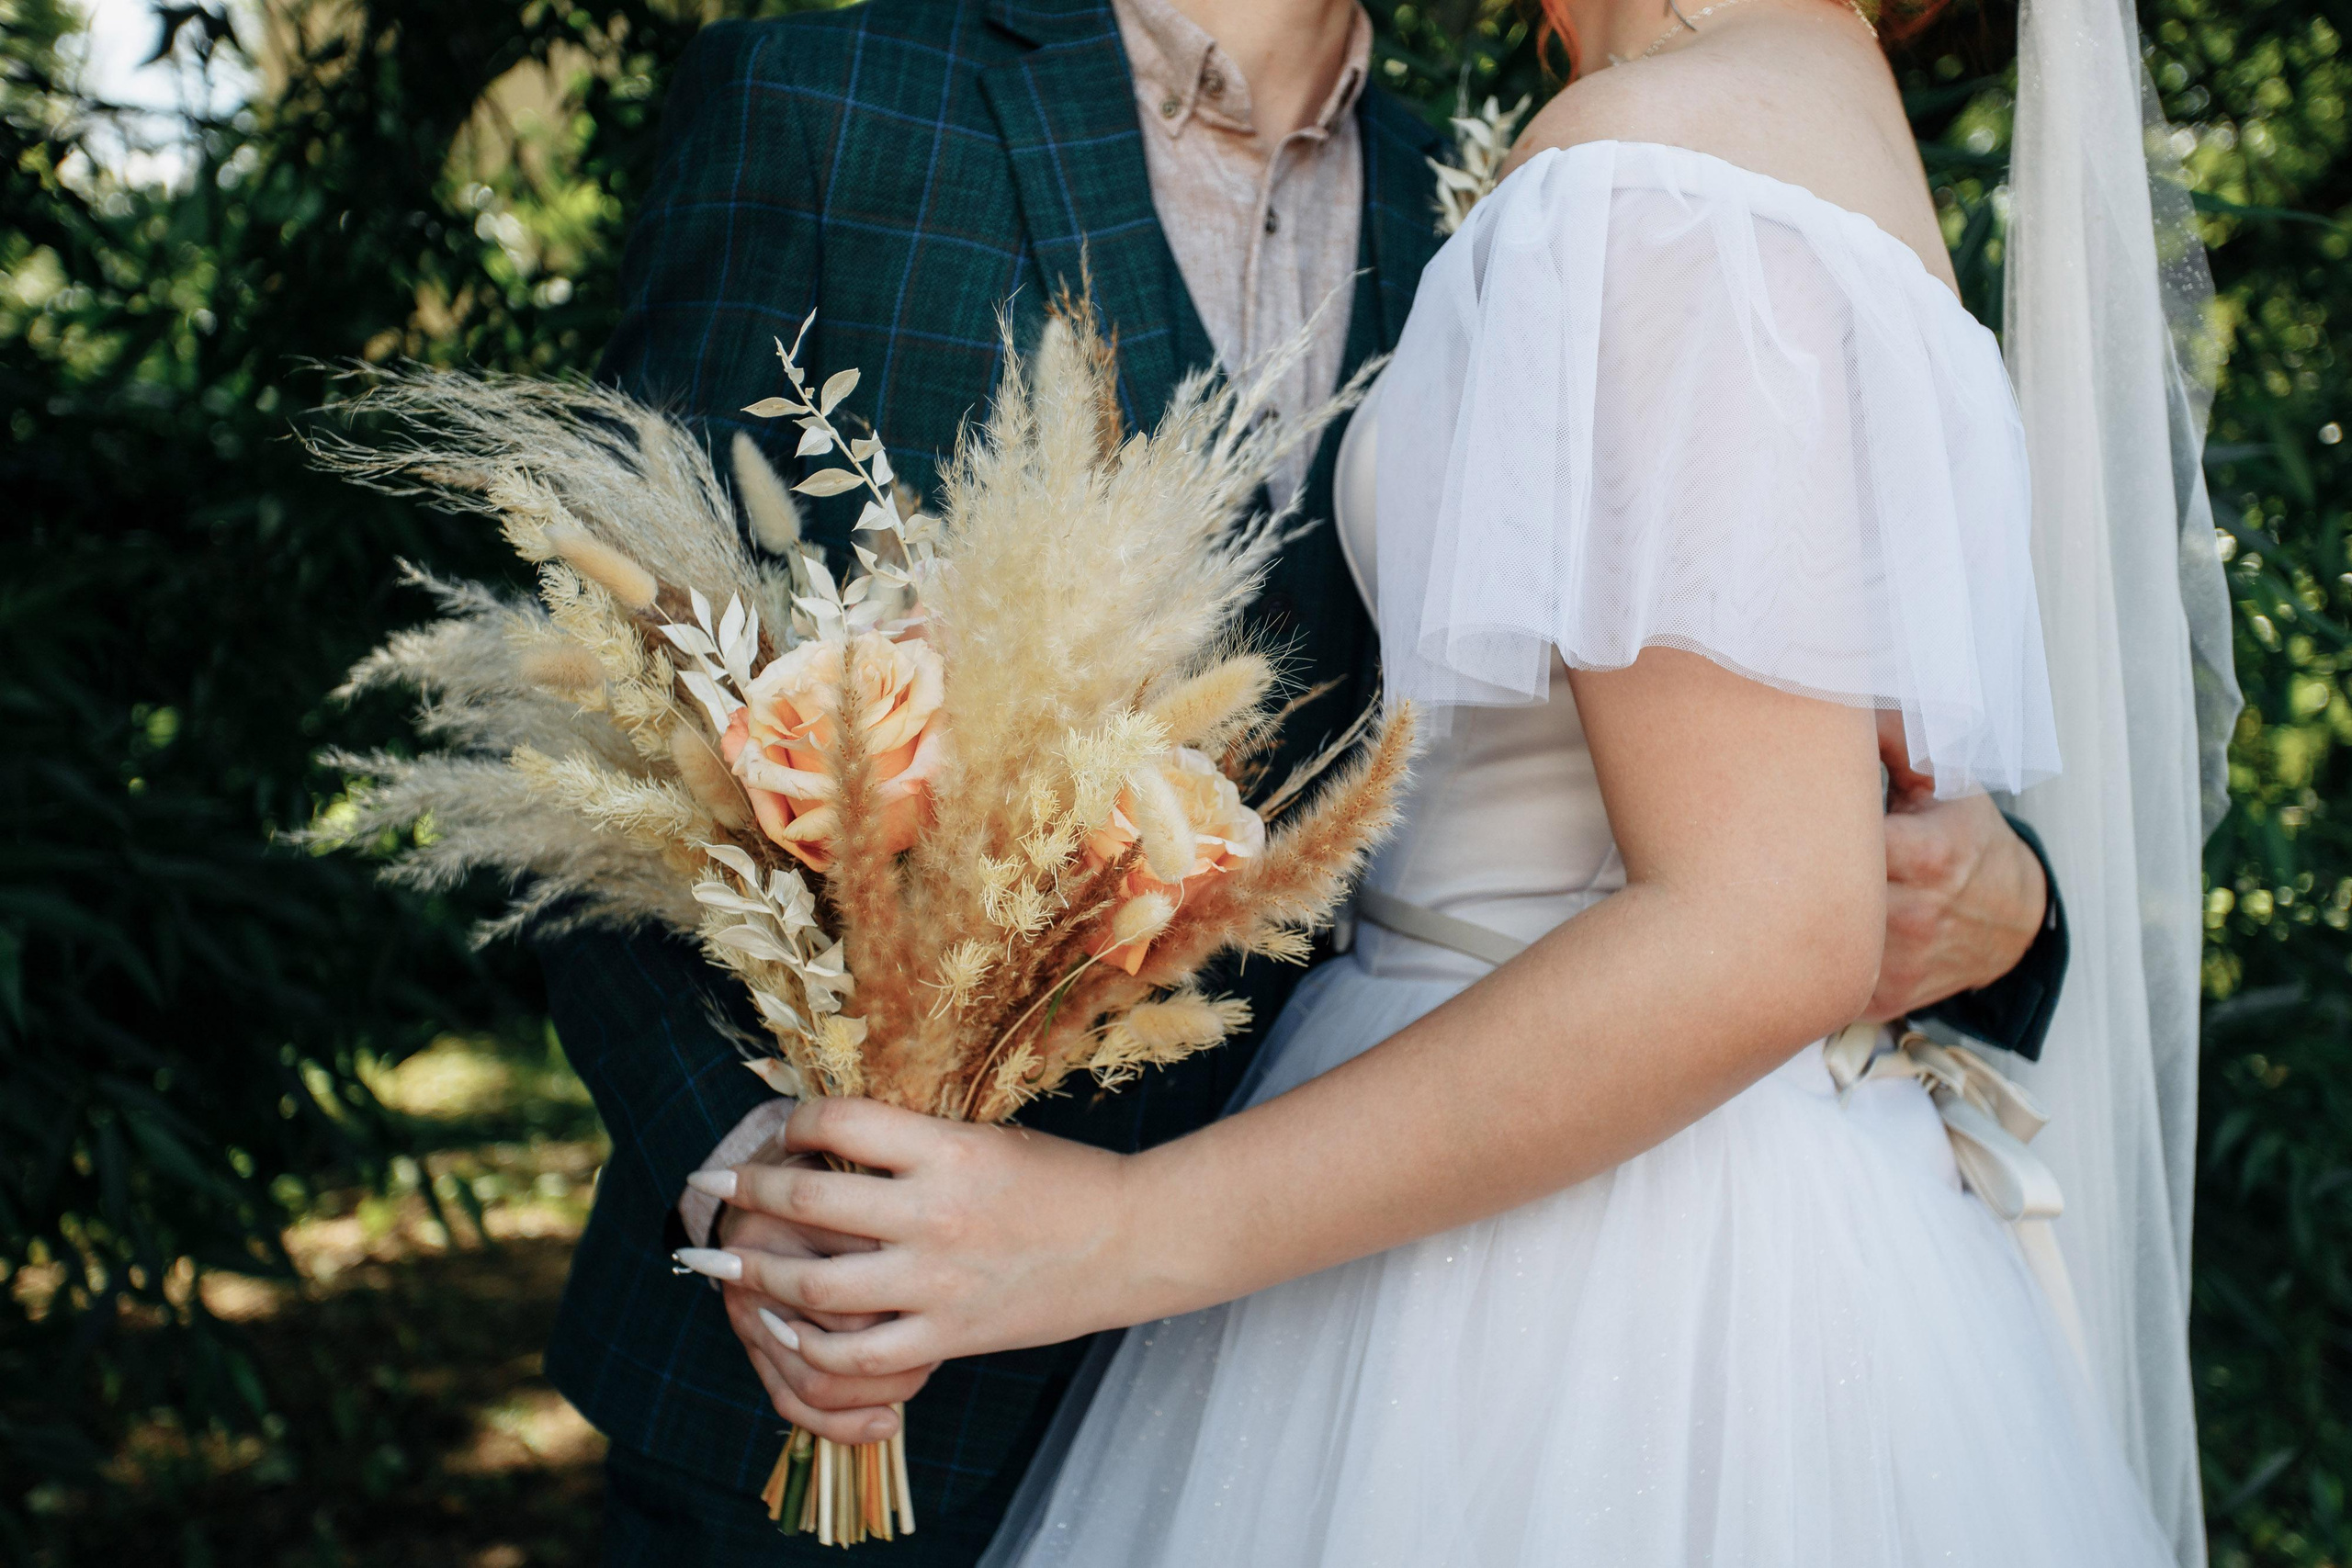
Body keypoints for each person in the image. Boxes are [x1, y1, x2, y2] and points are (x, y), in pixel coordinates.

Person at [673, 0, 2238, 1561]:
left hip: (1544, 1290)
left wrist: (1114, 1233)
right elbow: (662, 648)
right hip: (1665, 1229)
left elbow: (1772, 915)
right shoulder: (1805, 129)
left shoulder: (1636, 170)